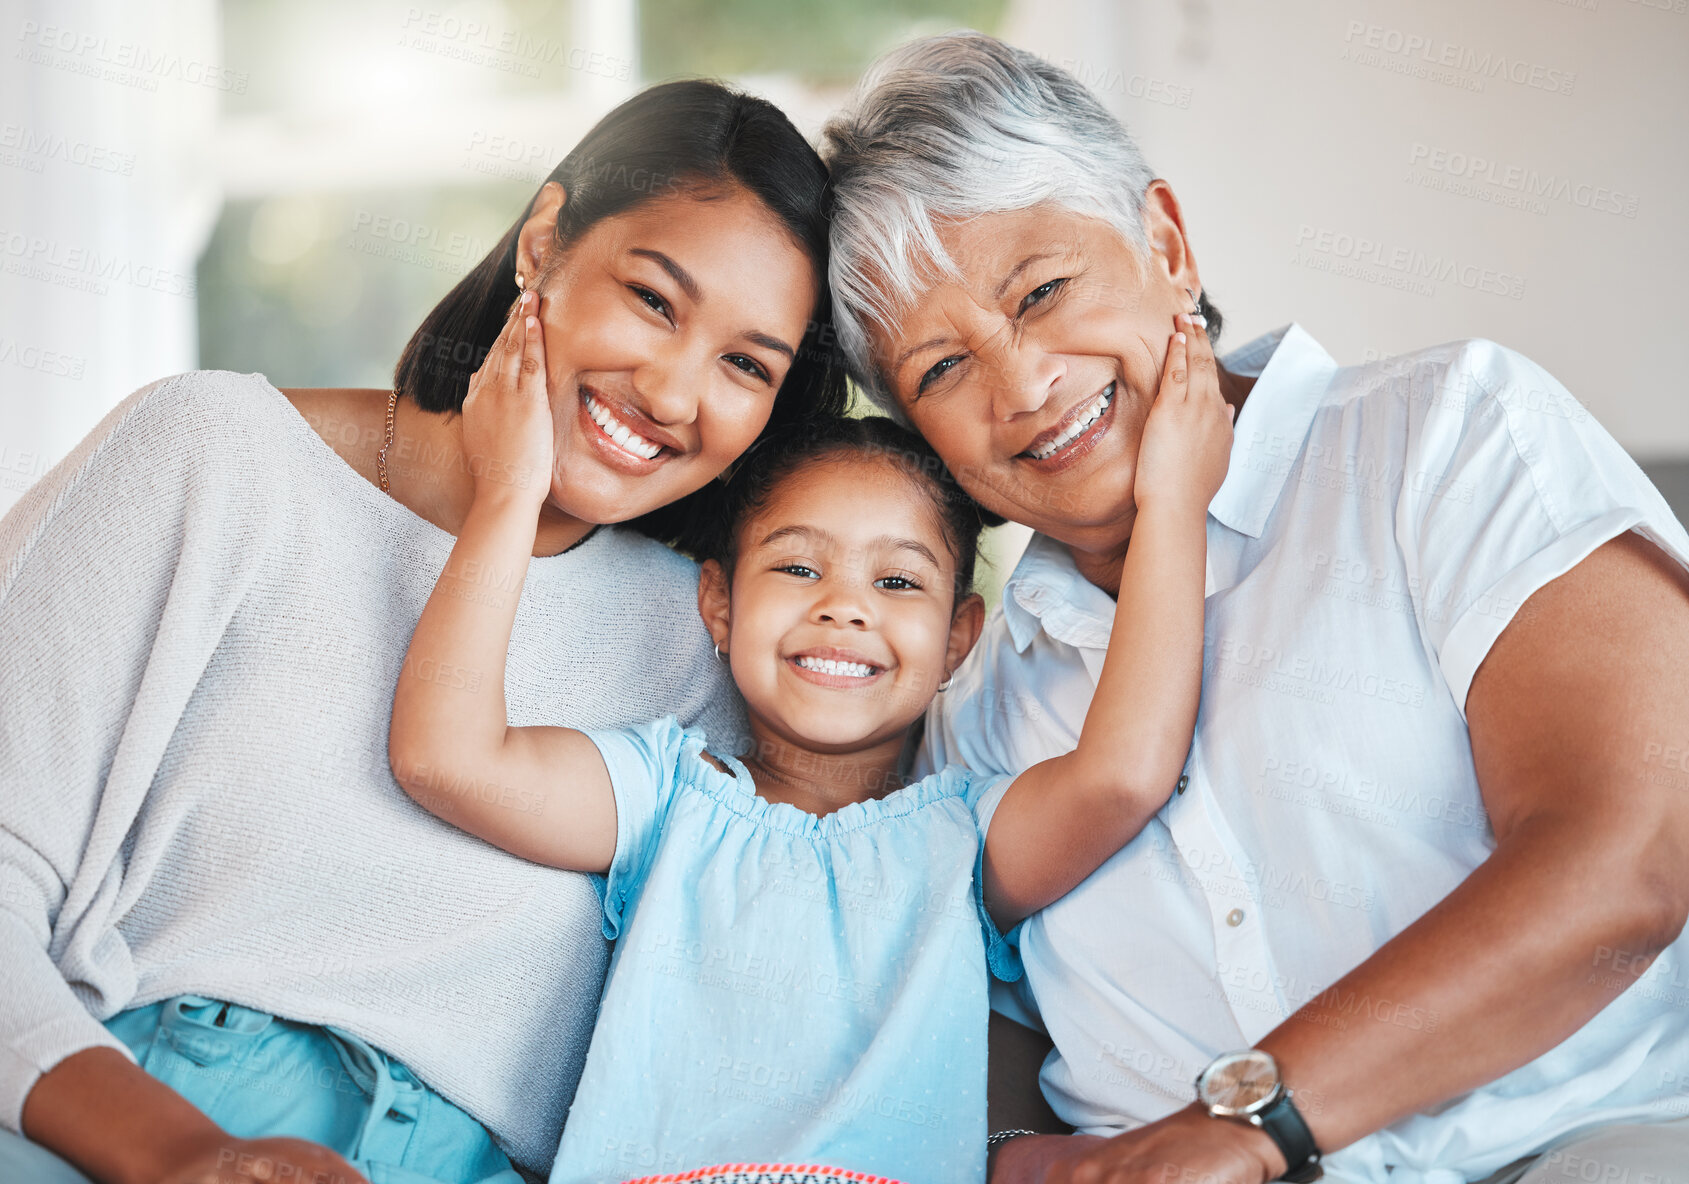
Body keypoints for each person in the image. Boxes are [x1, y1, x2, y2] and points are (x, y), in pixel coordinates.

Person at [820, 31, 1689, 1184]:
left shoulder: (1447, 436)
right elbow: (961, 1009)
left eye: (1042, 291)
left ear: (1166, 246)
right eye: (940, 370)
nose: (1023, 385)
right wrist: (1018, 1155)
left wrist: (1251, 1124)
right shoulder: (970, 702)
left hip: (1572, 1147)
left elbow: (1634, 852)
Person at [0, 79, 846, 1184]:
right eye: (652, 299)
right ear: (545, 239)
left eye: (746, 364)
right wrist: (183, 1150)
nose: (673, 389)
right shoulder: (213, 456)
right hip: (129, 1119)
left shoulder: (705, 642)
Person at [385, 283, 1232, 1183]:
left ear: (958, 638)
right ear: (719, 602)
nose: (844, 609)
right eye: (797, 566)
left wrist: (1172, 504)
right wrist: (510, 492)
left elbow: (1125, 775)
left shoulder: (966, 843)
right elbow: (448, 757)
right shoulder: (665, 799)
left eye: (898, 584)